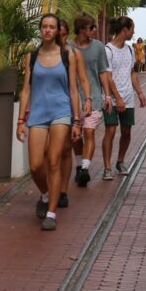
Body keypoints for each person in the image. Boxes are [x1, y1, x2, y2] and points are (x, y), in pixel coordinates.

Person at [16, 14, 81, 231]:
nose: (48, 30)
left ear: (57, 30)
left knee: (53, 160)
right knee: (35, 165)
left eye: (52, 27)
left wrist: (77, 120)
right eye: (44, 26)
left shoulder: (67, 54)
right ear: (40, 29)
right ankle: (45, 194)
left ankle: (51, 213)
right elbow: (26, 89)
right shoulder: (32, 56)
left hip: (61, 112)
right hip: (38, 114)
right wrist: (20, 120)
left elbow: (73, 90)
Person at [71, 13, 113, 188]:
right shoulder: (68, 47)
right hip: (73, 98)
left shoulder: (98, 47)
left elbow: (103, 71)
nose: (95, 30)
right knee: (75, 137)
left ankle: (85, 169)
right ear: (81, 29)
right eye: (91, 28)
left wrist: (107, 95)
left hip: (93, 97)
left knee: (89, 132)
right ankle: (79, 164)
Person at [102, 16, 146, 179]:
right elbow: (108, 76)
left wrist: (140, 92)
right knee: (111, 131)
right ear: (124, 30)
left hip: (128, 98)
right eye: (132, 28)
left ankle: (120, 161)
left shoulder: (129, 50)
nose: (133, 32)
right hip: (112, 99)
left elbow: (132, 73)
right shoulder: (108, 50)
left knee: (126, 131)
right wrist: (117, 98)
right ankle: (107, 167)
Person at [56, 18, 90, 206]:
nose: (58, 37)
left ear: (67, 34)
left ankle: (62, 190)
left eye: (62, 34)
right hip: (48, 105)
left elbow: (83, 80)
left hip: (69, 104)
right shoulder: (43, 53)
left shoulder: (73, 53)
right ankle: (50, 188)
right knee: (49, 152)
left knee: (65, 149)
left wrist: (88, 99)